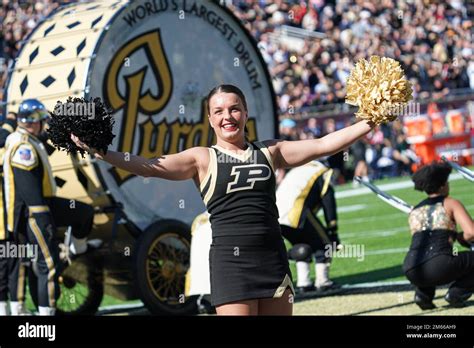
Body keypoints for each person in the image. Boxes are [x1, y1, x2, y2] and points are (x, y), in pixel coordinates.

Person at [72, 84, 376, 315]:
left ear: (245, 112)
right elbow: (147, 165)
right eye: (218, 111)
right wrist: (102, 151)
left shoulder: (270, 152)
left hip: (273, 261)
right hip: (232, 265)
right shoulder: (201, 158)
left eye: (234, 109)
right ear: (209, 118)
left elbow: (323, 144)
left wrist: (371, 120)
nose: (227, 117)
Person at [3, 99, 96, 315]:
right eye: (42, 120)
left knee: (84, 213)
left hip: (40, 207)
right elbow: (29, 189)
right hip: (36, 211)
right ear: (33, 122)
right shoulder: (23, 147)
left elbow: (45, 137)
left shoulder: (24, 137)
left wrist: (67, 129)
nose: (44, 124)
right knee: (48, 265)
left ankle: (76, 250)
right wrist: (43, 218)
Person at [403, 162, 474, 310]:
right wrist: (461, 238)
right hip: (439, 265)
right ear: (442, 186)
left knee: (431, 259)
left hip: (411, 268)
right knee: (443, 259)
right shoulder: (451, 203)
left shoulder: (415, 209)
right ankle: (457, 293)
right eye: (447, 182)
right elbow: (471, 233)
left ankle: (423, 295)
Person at [277, 160, 341, 293]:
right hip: (296, 211)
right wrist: (332, 228)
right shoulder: (322, 172)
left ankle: (304, 282)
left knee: (301, 245)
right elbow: (328, 200)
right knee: (325, 244)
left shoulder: (298, 169)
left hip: (277, 215)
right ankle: (323, 281)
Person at [0, 111, 18, 315]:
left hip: (6, 221)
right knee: (6, 267)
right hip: (2, 223)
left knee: (11, 265)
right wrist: (10, 120)